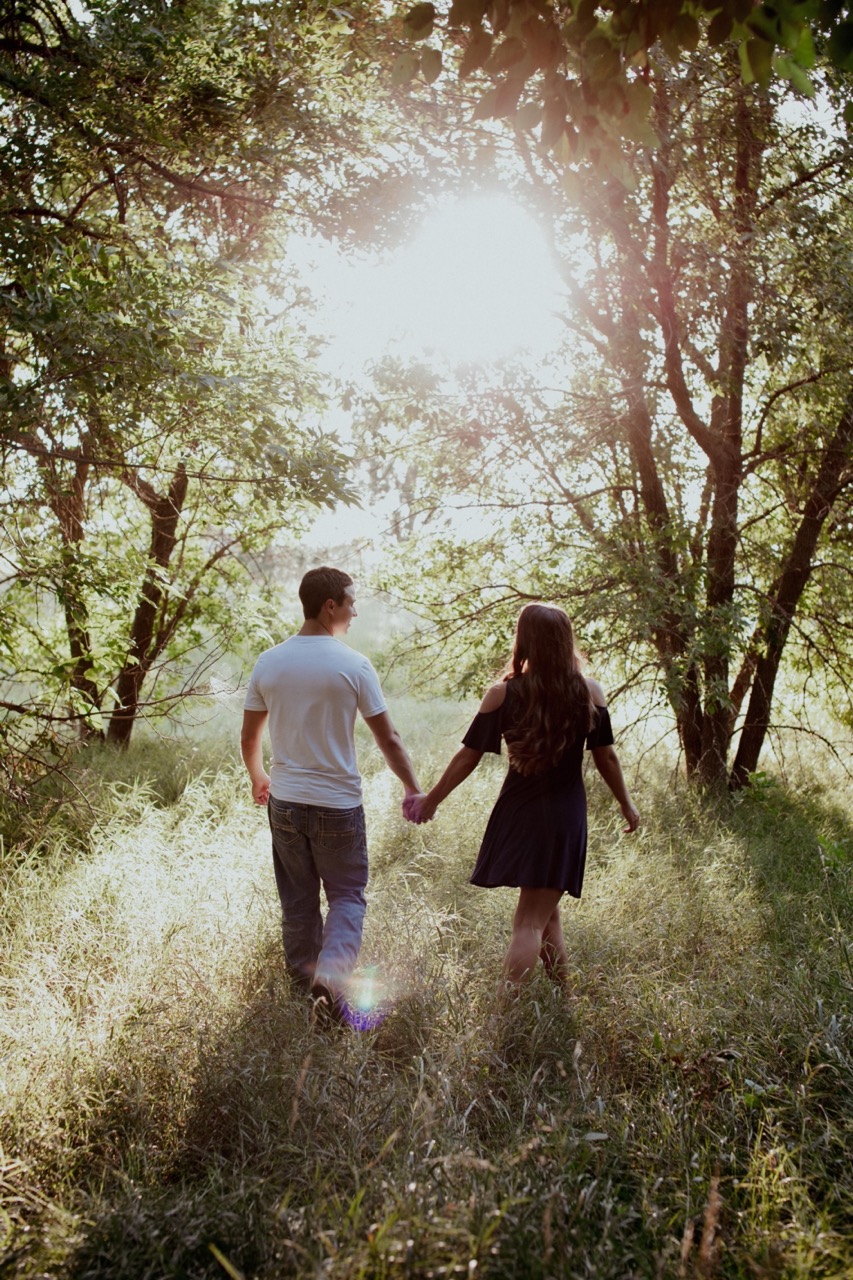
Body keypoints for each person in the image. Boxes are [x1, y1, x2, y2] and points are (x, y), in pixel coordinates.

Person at [404, 603, 639, 988]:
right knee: (532, 919)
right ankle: (508, 1014)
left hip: (518, 813)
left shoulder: (502, 694)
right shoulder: (589, 692)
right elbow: (606, 757)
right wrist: (626, 804)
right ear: (565, 641)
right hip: (564, 816)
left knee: (546, 915)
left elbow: (468, 757)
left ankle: (561, 997)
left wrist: (432, 801)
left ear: (524, 640)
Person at [241, 566, 421, 1019]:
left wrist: (258, 776)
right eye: (350, 602)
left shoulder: (269, 661)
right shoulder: (353, 665)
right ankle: (329, 982)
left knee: (297, 899)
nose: (354, 612)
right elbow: (389, 739)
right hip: (338, 807)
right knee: (346, 897)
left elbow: (249, 738)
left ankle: (306, 989)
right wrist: (412, 788)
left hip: (285, 804)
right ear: (330, 606)